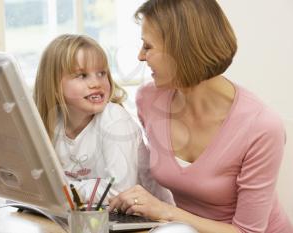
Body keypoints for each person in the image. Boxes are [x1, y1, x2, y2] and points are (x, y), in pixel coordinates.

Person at [108, 0, 293, 232]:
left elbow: (248, 232)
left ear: (182, 51)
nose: (140, 57)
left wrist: (166, 212)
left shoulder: (261, 126)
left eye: (148, 46)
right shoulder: (148, 100)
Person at [33, 34, 141, 203]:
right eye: (82, 75)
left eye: (101, 73)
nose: (96, 83)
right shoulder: (52, 123)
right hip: (93, 213)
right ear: (54, 85)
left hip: (146, 221)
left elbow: (121, 190)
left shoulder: (114, 119)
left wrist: (66, 190)